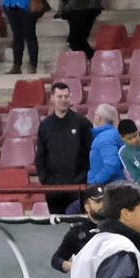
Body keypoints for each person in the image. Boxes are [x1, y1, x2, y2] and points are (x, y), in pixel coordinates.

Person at [36, 80, 92, 211]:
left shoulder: (82, 123)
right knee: (57, 228)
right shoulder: (45, 125)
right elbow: (41, 156)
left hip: (78, 189)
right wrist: (46, 181)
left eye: (66, 96)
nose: (63, 100)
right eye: (59, 96)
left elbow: (91, 153)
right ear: (52, 98)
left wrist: (83, 181)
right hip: (54, 190)